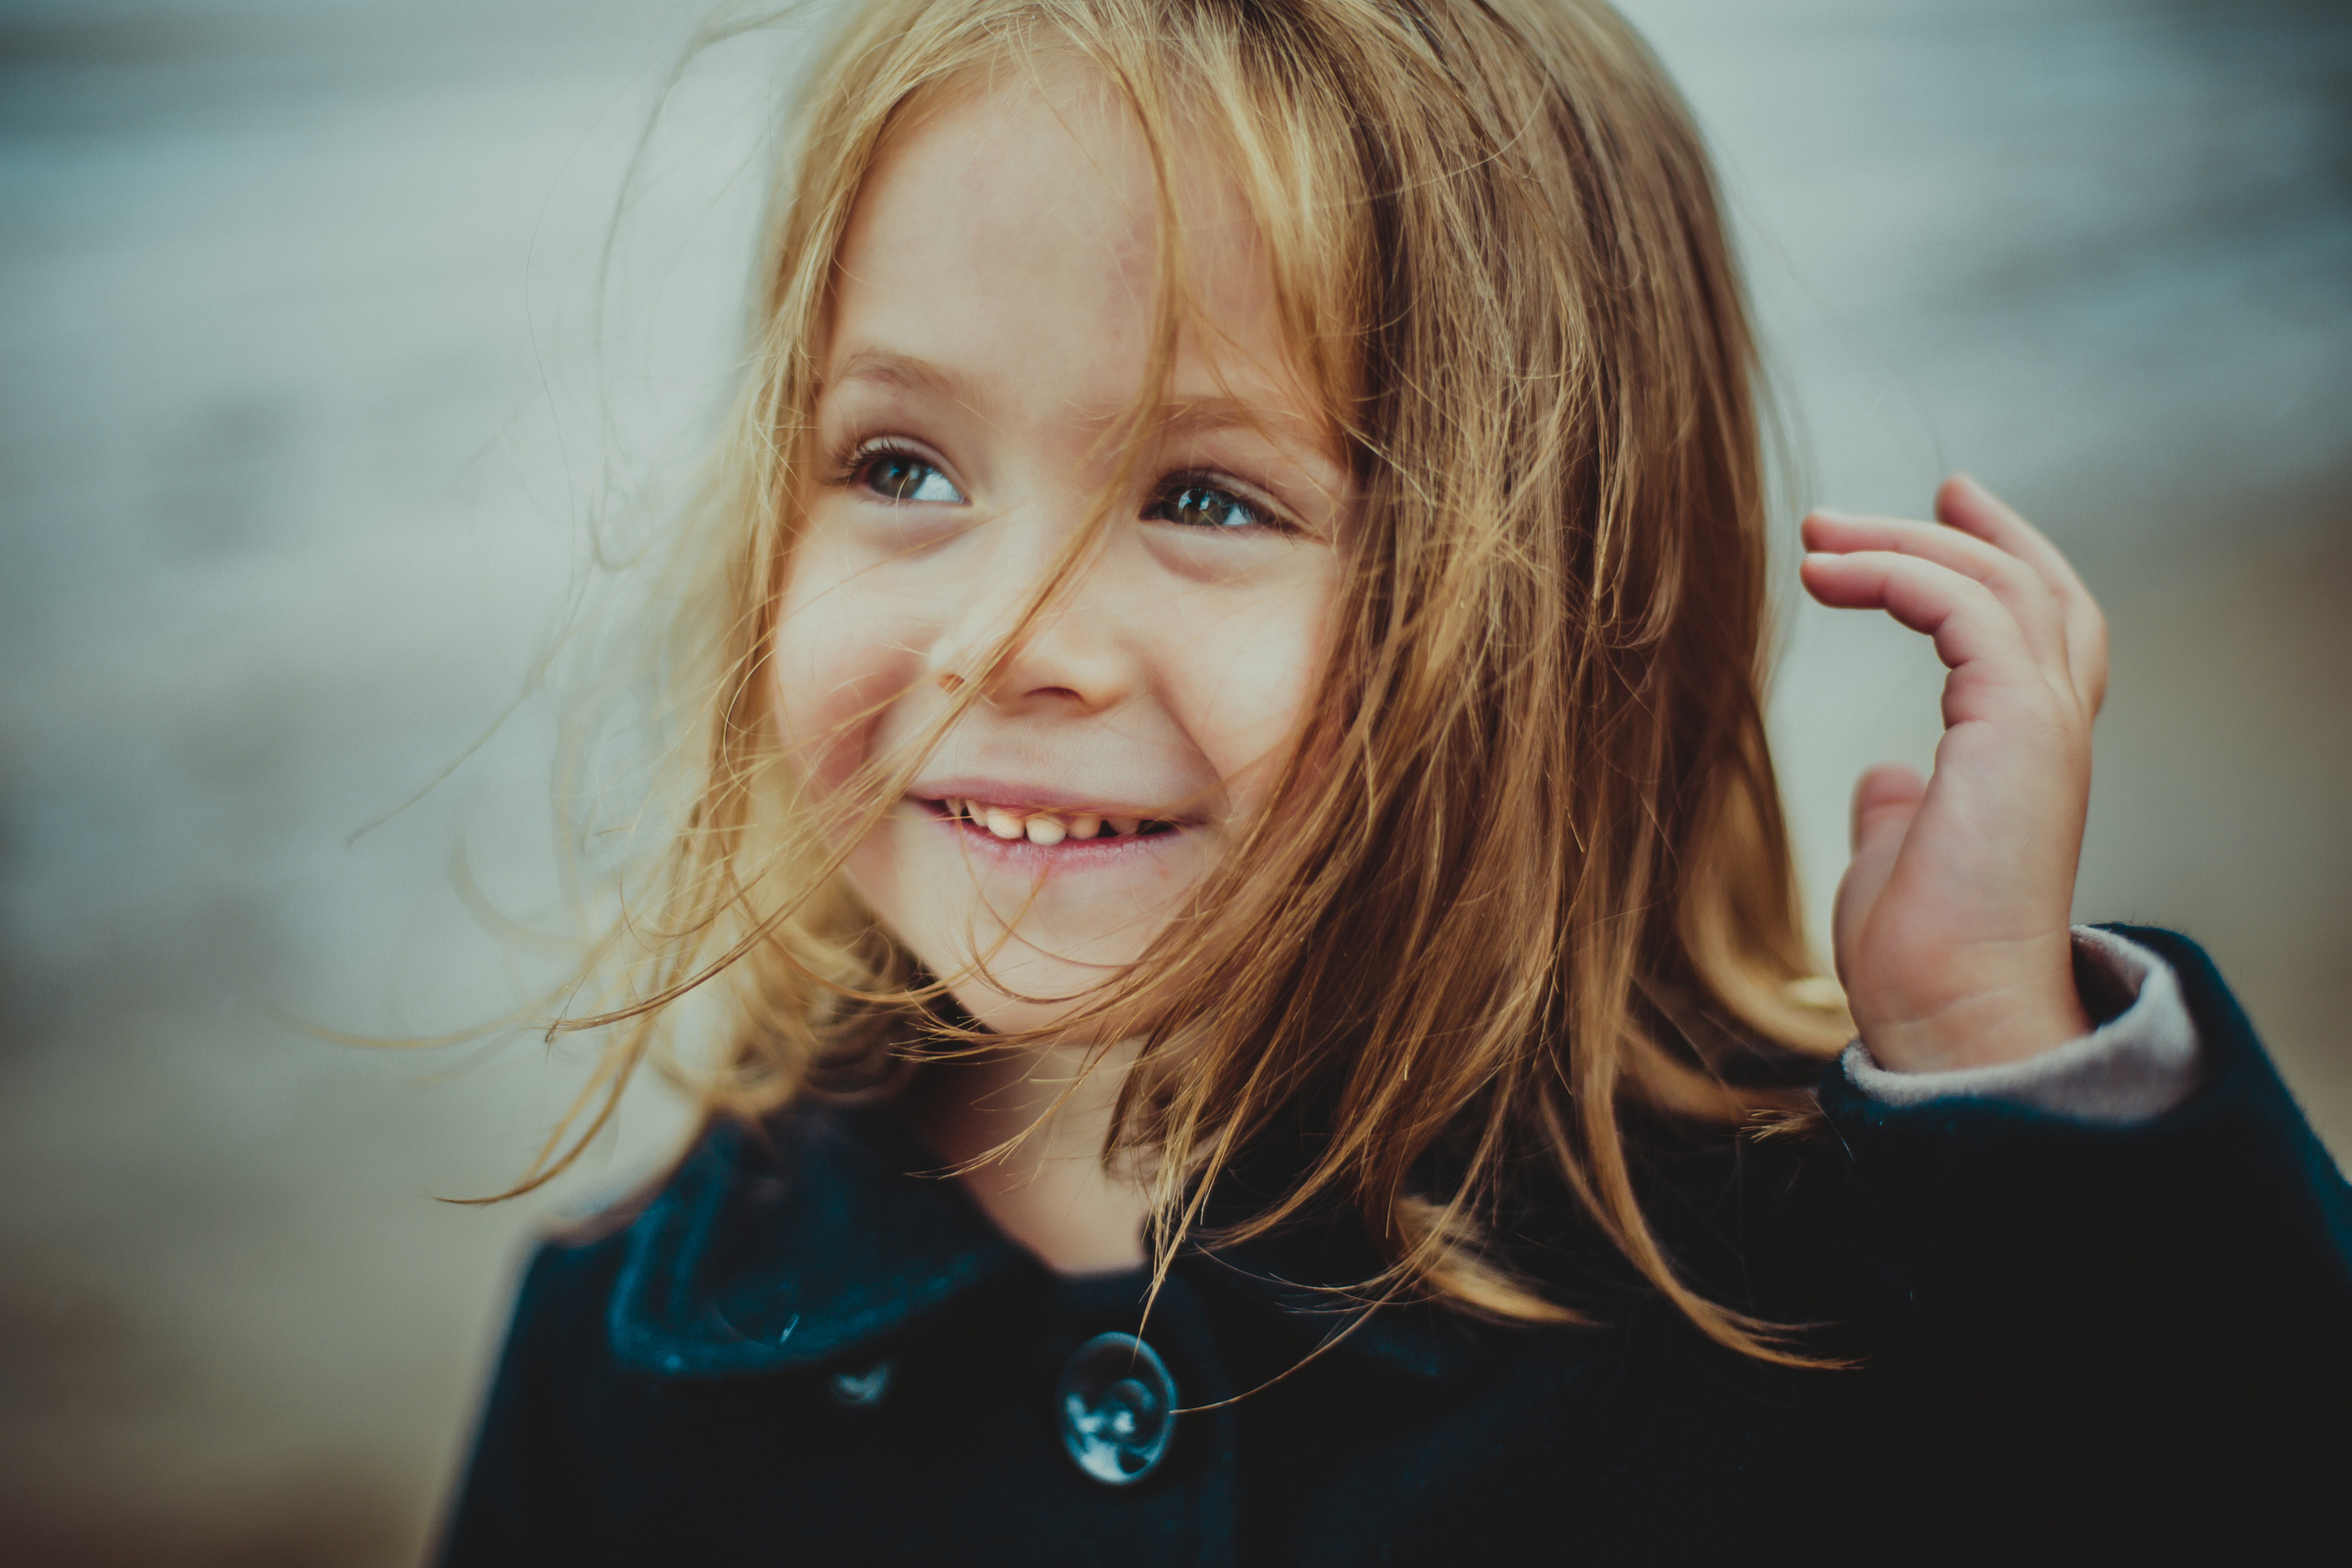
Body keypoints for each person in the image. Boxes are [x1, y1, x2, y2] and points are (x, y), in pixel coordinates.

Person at [436, 0, 2352, 1561]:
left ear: (1568, 598)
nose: (1001, 636)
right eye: (900, 467)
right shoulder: (637, 1339)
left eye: (1205, 495)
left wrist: (1998, 1057)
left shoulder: (1820, 1272)